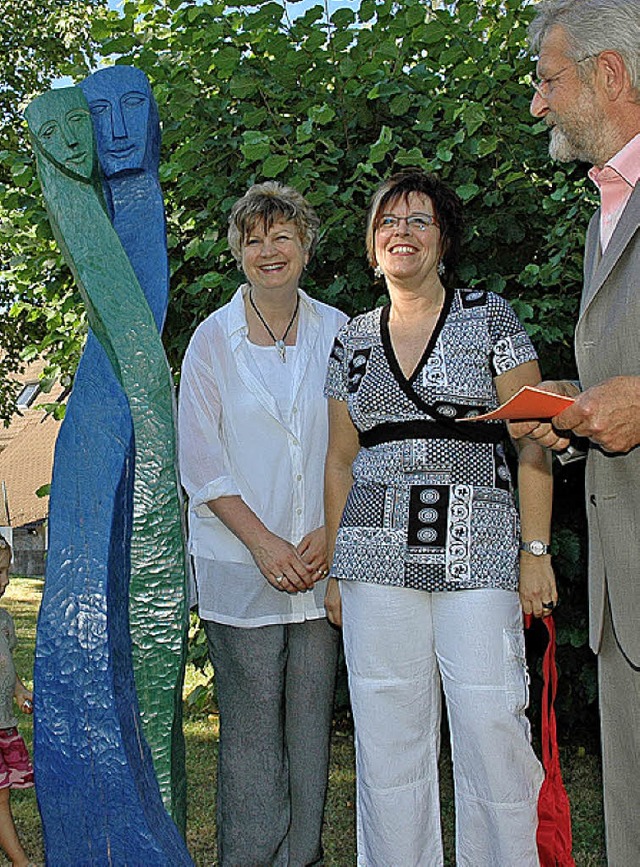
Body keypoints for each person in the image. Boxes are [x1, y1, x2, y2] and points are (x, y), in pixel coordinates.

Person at [323, 169, 556, 866]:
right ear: (371, 246)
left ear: (444, 240)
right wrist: (336, 569)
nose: (403, 233)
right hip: (372, 559)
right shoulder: (352, 340)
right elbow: (339, 461)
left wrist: (534, 548)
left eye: (419, 220)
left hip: (480, 551)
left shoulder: (491, 315)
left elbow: (534, 434)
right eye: (388, 222)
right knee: (388, 737)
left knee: (491, 724)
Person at [178, 181, 348, 866]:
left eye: (282, 235)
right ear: (238, 253)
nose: (268, 250)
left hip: (321, 564)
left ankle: (301, 856)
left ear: (306, 243)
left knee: (311, 728)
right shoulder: (211, 340)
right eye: (254, 239)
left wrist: (330, 537)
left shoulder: (343, 330)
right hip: (240, 563)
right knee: (250, 733)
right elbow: (200, 459)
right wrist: (266, 544)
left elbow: (356, 445)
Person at [509, 2, 640, 862]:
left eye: (548, 80)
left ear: (611, 74)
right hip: (624, 593)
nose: (537, 104)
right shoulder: (606, 208)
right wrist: (576, 401)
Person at [0, 536, 35, 867]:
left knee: (1, 796)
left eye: (6, 571)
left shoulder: (4, 621)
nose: (6, 580)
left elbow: (6, 666)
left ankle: (19, 861)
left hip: (2, 724)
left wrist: (19, 690)